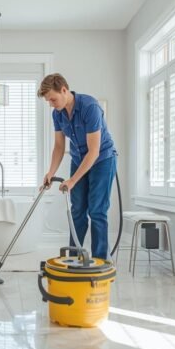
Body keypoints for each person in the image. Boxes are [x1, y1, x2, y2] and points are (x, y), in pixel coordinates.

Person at [38, 73, 117, 261]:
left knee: (96, 210)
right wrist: (51, 173)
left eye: (53, 99)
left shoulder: (89, 107)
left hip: (102, 160)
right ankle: (73, 258)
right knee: (77, 209)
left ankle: (100, 260)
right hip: (79, 158)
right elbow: (59, 146)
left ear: (64, 90)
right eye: (48, 101)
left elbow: (94, 151)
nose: (51, 103)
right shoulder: (57, 114)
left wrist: (72, 180)